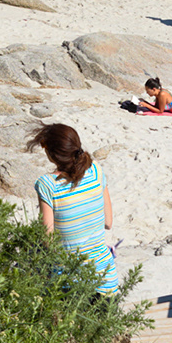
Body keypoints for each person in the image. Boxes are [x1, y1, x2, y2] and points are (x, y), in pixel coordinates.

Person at [26, 123, 118, 295]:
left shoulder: (47, 185)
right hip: (107, 281)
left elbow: (48, 239)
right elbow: (108, 222)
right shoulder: (95, 170)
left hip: (70, 285)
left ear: (50, 153)